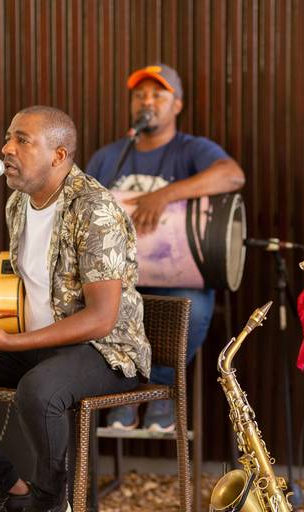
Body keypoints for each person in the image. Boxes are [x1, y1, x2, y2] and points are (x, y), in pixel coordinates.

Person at [0, 106, 150, 512]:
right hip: (33, 343)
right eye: (8, 138)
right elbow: (35, 279)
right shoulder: (18, 203)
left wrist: (12, 344)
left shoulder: (94, 209)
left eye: (22, 140)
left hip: (104, 351)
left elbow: (101, 318)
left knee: (39, 391)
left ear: (58, 155)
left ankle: (51, 501)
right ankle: (8, 487)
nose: (6, 149)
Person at [87, 63, 245, 432]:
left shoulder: (191, 150)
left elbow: (232, 175)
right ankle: (125, 389)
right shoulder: (111, 156)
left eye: (158, 95)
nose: (147, 101)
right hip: (121, 277)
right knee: (93, 305)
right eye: (140, 95)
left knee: (194, 307)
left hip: (177, 278)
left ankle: (159, 390)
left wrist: (165, 195)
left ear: (177, 105)